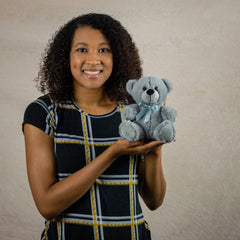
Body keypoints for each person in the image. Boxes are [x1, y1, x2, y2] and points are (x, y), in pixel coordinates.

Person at [23, 13, 166, 240]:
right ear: (65, 57)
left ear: (117, 56)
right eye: (82, 49)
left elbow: (154, 201)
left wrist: (155, 152)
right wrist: (111, 153)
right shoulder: (44, 112)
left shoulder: (133, 111)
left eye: (103, 50)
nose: (93, 60)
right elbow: (47, 205)